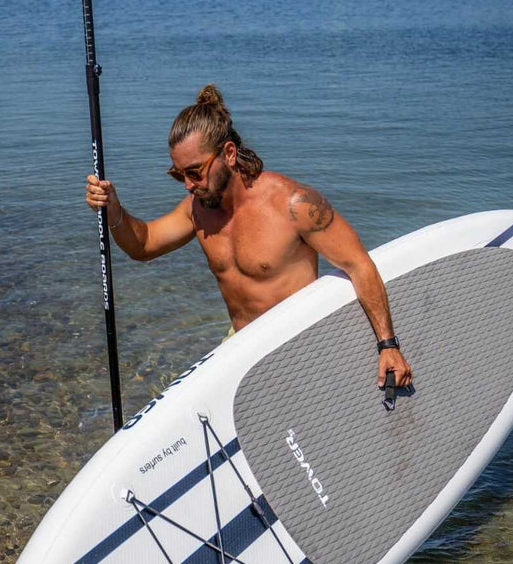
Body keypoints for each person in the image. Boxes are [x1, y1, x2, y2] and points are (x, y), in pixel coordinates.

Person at [84, 84, 412, 389]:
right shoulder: (196, 209)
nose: (187, 185)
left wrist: (387, 345)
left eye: (195, 172)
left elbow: (358, 265)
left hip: (298, 350)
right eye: (179, 174)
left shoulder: (294, 204)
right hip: (241, 346)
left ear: (228, 153)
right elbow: (143, 245)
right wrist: (115, 211)